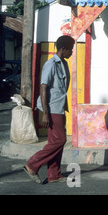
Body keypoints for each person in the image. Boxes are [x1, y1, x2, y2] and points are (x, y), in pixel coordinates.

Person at [23, 35, 75, 184]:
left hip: (59, 107)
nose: (71, 52)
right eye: (70, 49)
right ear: (63, 49)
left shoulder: (63, 64)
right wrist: (45, 114)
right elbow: (43, 87)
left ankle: (54, 174)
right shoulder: (50, 64)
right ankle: (32, 165)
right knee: (60, 140)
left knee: (54, 140)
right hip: (51, 108)